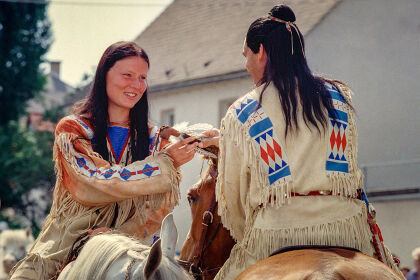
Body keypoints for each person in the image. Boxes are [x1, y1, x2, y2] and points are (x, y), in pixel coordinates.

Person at [199, 5, 403, 280]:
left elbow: (233, 197)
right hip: (345, 227)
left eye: (245, 54)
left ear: (260, 52)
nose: (246, 63)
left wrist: (247, 230)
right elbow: (352, 171)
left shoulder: (242, 112)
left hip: (275, 232)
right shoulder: (340, 98)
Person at [10, 41, 198, 280]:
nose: (136, 85)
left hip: (128, 243)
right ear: (104, 75)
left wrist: (116, 235)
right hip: (67, 242)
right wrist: (164, 164)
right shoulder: (72, 129)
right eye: (127, 75)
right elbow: (94, 181)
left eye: (142, 77)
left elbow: (154, 209)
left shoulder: (154, 139)